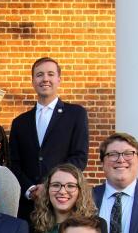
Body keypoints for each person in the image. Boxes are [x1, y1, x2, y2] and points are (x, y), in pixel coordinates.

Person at [8, 57, 89, 220]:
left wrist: (50, 185)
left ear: (59, 79)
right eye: (39, 75)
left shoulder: (76, 114)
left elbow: (79, 157)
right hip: (29, 207)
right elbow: (14, 164)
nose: (45, 79)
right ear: (33, 81)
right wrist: (31, 189)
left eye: (50, 74)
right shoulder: (19, 122)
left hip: (63, 203)